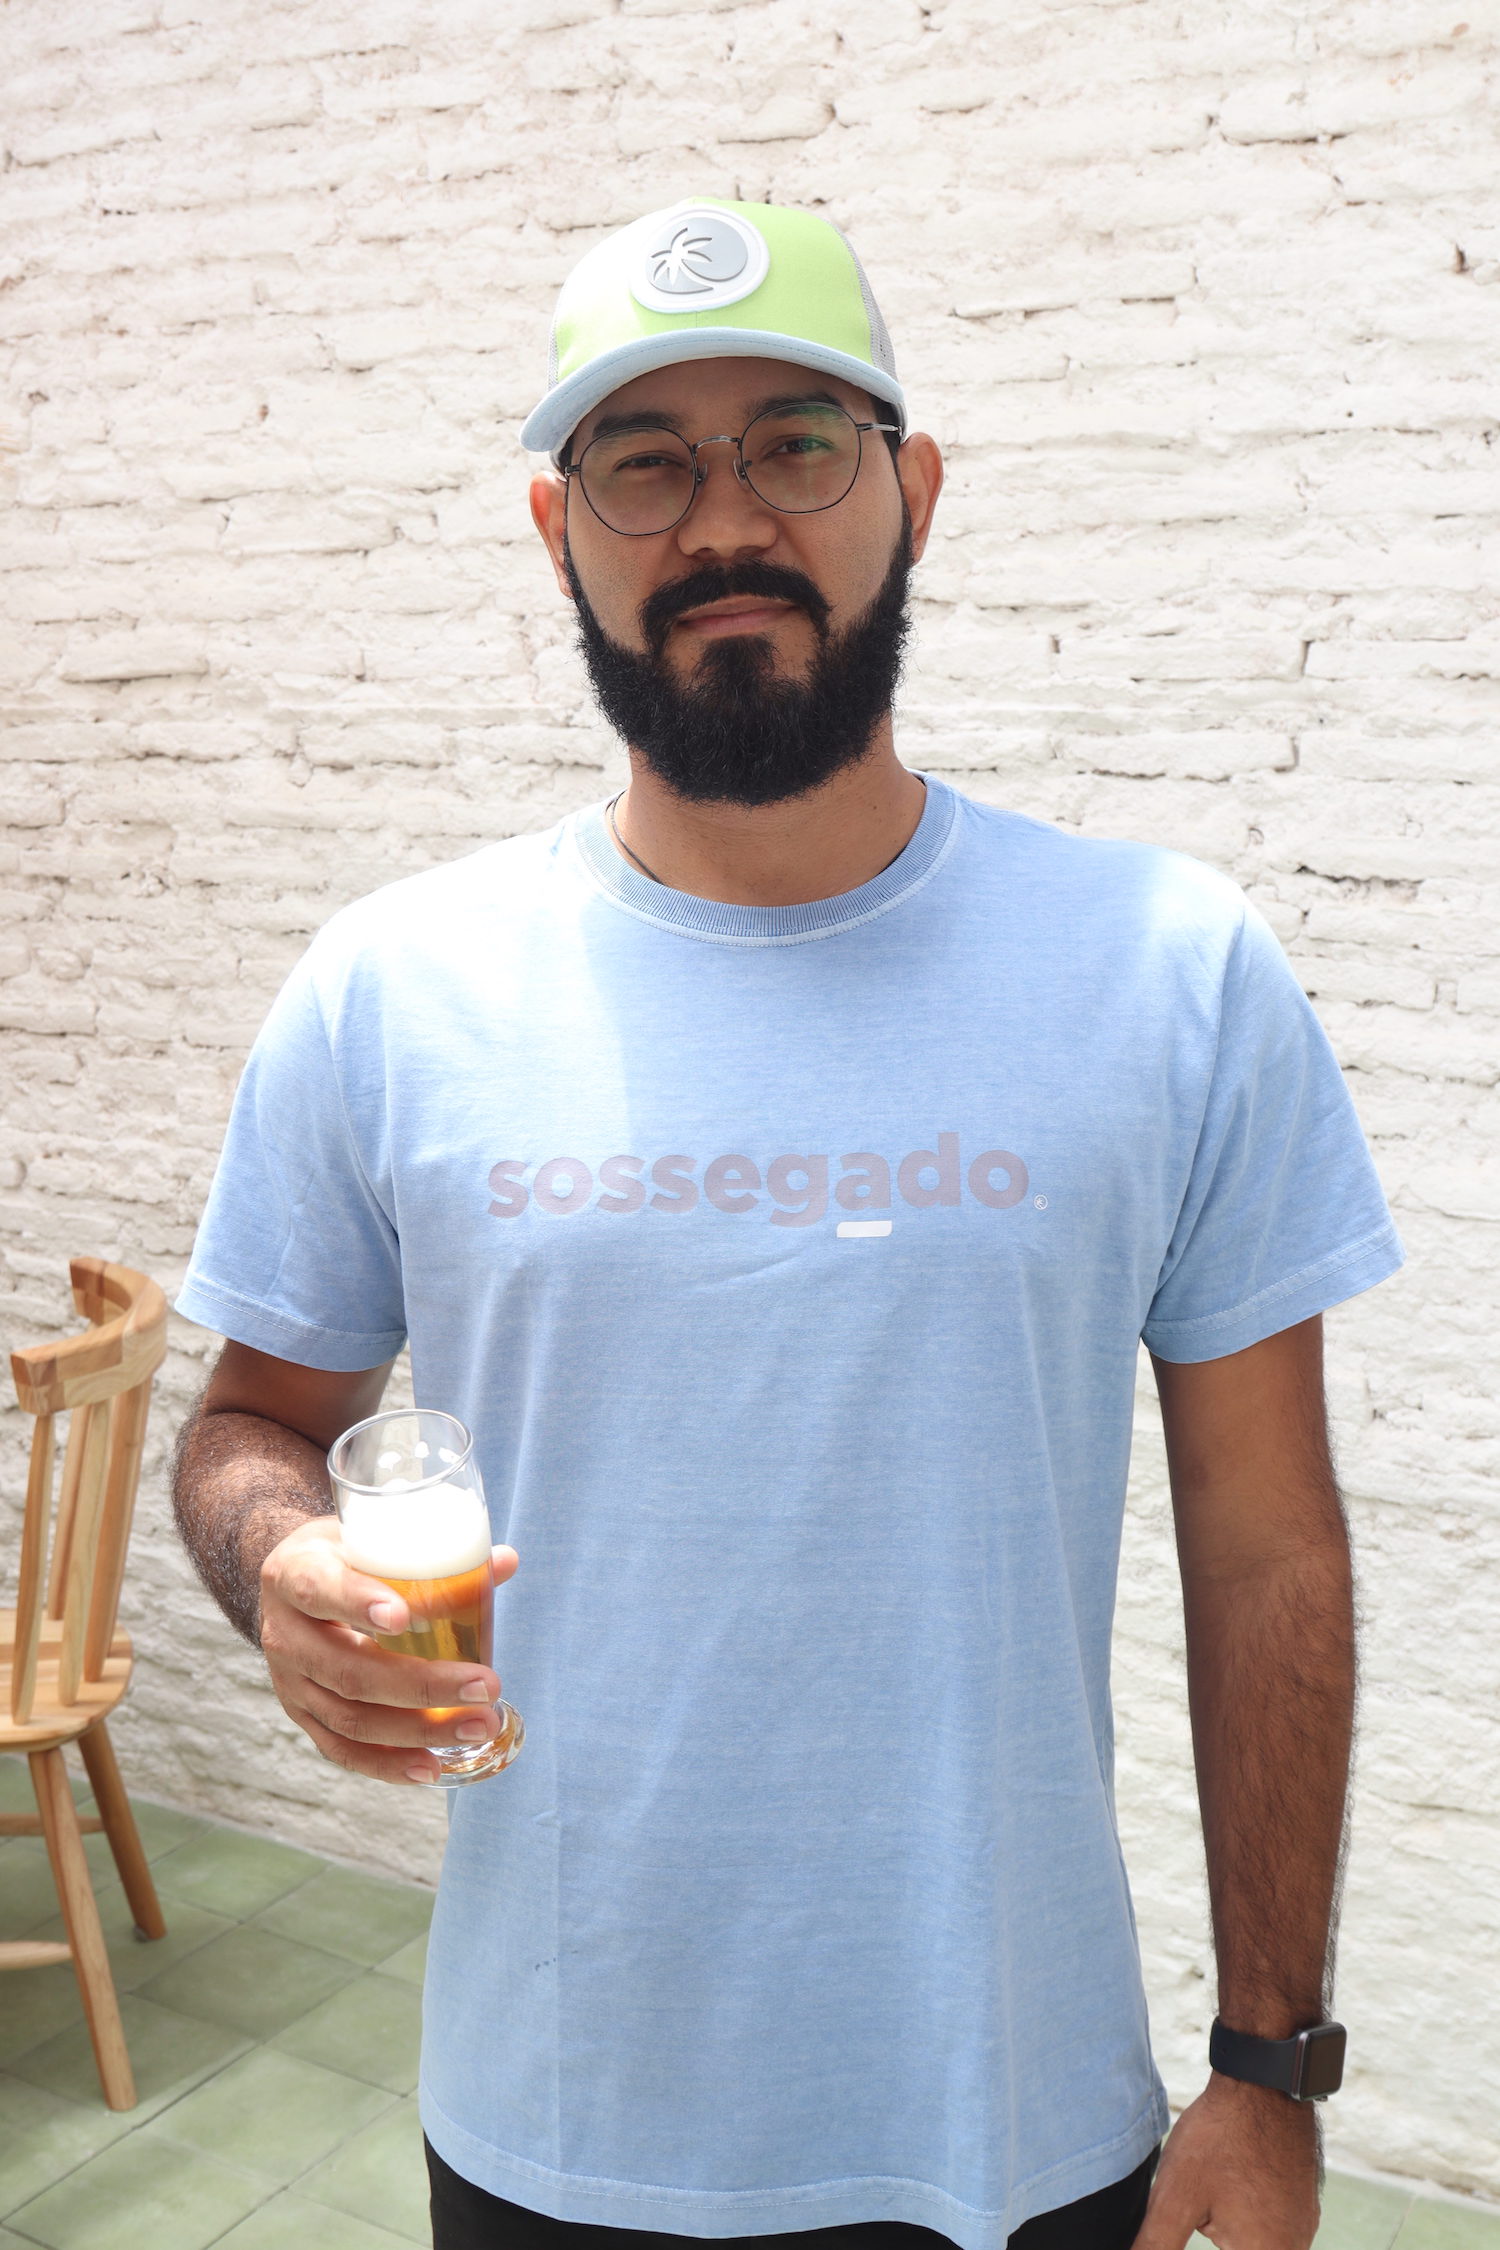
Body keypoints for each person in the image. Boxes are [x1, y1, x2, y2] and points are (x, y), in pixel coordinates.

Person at [172, 198, 1403, 2250]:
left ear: (913, 494)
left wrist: (1271, 2068)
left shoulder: (1170, 972)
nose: (725, 520)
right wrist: (281, 1561)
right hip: (553, 2119)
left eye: (798, 444)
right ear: (557, 532)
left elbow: (1270, 1545)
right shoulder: (393, 988)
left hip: (1016, 2124)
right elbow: (248, 1422)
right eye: (646, 461)